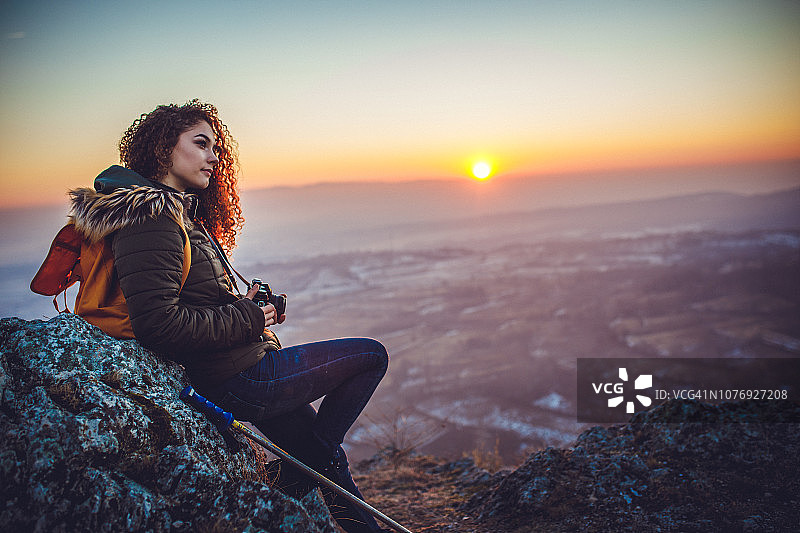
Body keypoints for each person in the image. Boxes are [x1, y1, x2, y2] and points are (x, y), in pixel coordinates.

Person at [69, 100, 390, 533]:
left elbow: (192, 303)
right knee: (370, 357)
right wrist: (251, 317)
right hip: (238, 377)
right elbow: (159, 324)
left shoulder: (176, 212)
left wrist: (251, 303)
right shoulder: (153, 219)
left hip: (237, 368)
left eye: (215, 148)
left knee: (330, 463)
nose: (213, 157)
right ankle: (272, 490)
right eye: (201, 144)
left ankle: (317, 501)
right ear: (165, 149)